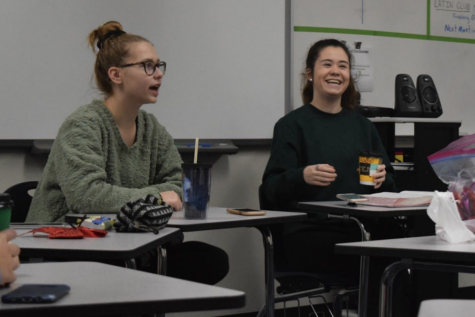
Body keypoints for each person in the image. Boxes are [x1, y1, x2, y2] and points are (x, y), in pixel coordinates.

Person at [26, 21, 228, 285]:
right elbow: (86, 196)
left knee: (210, 260)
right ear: (116, 75)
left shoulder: (151, 128)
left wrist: (162, 195)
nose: (158, 74)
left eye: (159, 65)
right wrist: (157, 196)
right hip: (68, 244)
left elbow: (179, 184)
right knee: (128, 271)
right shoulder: (82, 125)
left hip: (127, 241)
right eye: (147, 66)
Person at [261, 39, 403, 314]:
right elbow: (270, 188)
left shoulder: (363, 127)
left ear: (349, 76)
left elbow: (391, 185)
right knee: (377, 259)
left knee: (406, 249)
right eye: (327, 64)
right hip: (310, 234)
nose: (335, 71)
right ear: (310, 73)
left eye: (343, 66)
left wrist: (383, 179)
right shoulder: (292, 125)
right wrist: (302, 176)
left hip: (361, 228)